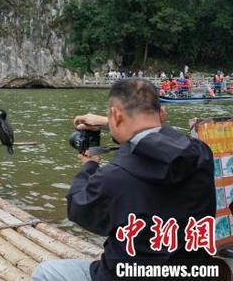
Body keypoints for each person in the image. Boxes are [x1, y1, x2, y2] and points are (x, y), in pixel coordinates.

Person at [32, 78, 215, 281]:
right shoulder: (201, 154)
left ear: (117, 116)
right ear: (161, 114)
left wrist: (89, 166)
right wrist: (106, 122)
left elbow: (79, 208)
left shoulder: (114, 177)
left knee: (45, 271)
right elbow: (159, 139)